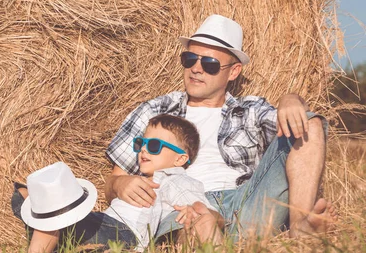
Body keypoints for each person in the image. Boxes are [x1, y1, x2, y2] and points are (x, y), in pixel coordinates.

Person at [105, 14, 338, 240]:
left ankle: (301, 227)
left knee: (310, 122)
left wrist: (292, 99)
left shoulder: (250, 110)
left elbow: (293, 125)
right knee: (193, 222)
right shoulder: (155, 111)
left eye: (210, 64)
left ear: (233, 71)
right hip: (180, 206)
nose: (196, 68)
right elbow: (113, 181)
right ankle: (207, 242)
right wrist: (120, 183)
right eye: (190, 59)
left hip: (245, 204)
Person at [11, 115, 223, 253]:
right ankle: (53, 248)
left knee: (51, 203)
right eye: (141, 143)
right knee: (24, 196)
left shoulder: (174, 179)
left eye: (155, 146)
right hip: (108, 227)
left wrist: (194, 211)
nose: (144, 150)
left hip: (121, 232)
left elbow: (203, 211)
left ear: (180, 159)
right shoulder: (141, 178)